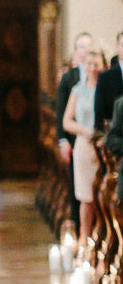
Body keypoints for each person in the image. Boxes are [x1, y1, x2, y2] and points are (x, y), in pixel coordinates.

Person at [63, 47, 106, 252]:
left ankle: (102, 235)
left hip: (102, 147)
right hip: (83, 145)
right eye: (89, 64)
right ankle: (84, 237)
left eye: (96, 64)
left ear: (103, 66)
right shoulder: (78, 90)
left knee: (102, 194)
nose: (93, 68)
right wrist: (84, 130)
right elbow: (66, 121)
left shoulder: (107, 89)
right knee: (85, 195)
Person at [55, 31, 94, 231]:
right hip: (76, 140)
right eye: (82, 47)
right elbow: (60, 110)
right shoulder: (71, 77)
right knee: (78, 188)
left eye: (89, 46)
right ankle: (79, 229)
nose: (86, 50)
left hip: (96, 141)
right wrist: (63, 141)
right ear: (76, 51)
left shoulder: (101, 76)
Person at [94, 29, 123, 132]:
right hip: (114, 136)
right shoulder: (105, 77)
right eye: (122, 45)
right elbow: (99, 111)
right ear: (117, 47)